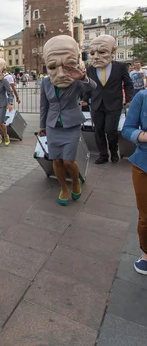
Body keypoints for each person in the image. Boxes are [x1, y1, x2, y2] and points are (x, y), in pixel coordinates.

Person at [38, 35, 97, 206]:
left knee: (69, 161)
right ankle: (64, 188)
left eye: (66, 65)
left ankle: (76, 182)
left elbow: (92, 88)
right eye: (53, 66)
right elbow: (44, 106)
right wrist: (42, 126)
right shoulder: (46, 83)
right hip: (53, 125)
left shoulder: (75, 81)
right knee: (56, 159)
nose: (61, 72)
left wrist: (82, 77)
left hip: (71, 124)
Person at [86, 35, 134, 164]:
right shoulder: (90, 69)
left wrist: (129, 99)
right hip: (96, 104)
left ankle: (114, 152)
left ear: (112, 52)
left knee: (110, 130)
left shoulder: (120, 67)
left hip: (114, 104)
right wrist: (85, 99)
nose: (96, 56)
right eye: (92, 53)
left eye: (101, 52)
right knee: (98, 131)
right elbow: (88, 86)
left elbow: (128, 84)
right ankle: (103, 155)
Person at [121, 88, 147, 275]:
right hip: (144, 164)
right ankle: (146, 253)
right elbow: (127, 128)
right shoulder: (143, 96)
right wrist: (143, 136)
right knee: (145, 215)